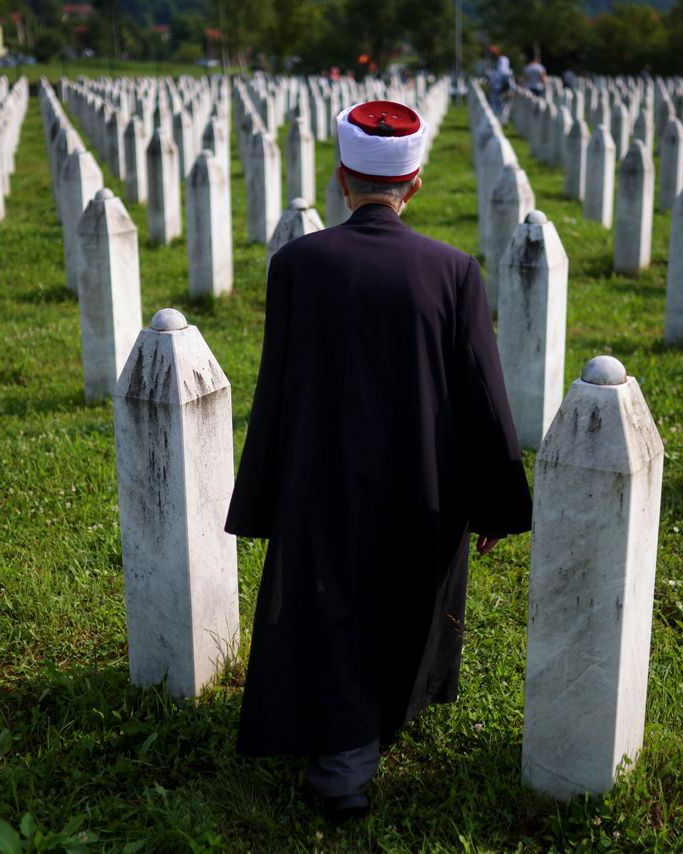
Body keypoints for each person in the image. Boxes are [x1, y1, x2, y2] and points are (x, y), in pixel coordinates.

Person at [226, 100, 533, 822]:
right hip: (419, 481)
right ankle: (349, 760)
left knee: (333, 604)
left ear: (340, 178)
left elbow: (278, 385)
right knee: (400, 602)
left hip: (320, 476)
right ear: (416, 182)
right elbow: (482, 394)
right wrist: (493, 502)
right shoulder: (453, 270)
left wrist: (269, 494)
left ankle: (343, 758)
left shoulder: (297, 263)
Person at [488, 56, 515, 121]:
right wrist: (511, 91)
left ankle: (493, 121)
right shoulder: (509, 72)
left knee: (494, 106)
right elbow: (512, 84)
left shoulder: (494, 72)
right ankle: (502, 121)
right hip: (504, 92)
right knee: (504, 107)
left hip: (496, 92)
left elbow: (491, 83)